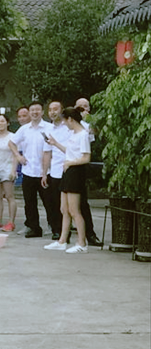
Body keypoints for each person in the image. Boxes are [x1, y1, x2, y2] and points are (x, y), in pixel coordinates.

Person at [44, 107, 91, 253]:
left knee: (74, 210)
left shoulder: (83, 134)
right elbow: (70, 151)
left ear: (70, 119)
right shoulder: (73, 134)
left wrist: (70, 163)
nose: (64, 123)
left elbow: (86, 157)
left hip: (75, 172)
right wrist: (55, 143)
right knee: (64, 209)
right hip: (67, 170)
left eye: (65, 120)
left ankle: (82, 243)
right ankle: (62, 241)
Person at [8, 101, 54, 238]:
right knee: (29, 202)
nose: (35, 112)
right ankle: (34, 228)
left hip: (45, 172)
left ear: (42, 112)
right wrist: (18, 156)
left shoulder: (49, 128)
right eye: (32, 110)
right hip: (28, 170)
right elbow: (11, 143)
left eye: (37, 110)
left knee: (50, 201)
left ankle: (54, 226)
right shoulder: (24, 129)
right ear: (29, 112)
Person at [73, 97, 102, 246]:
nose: (83, 109)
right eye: (80, 107)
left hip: (79, 165)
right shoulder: (68, 124)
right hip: (62, 166)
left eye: (86, 107)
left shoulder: (87, 126)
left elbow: (93, 136)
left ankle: (89, 234)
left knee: (82, 202)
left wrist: (88, 120)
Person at [41, 101, 68, 241]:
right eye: (50, 109)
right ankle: (57, 231)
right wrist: (44, 173)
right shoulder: (49, 130)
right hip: (55, 171)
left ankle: (88, 234)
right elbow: (47, 153)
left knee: (75, 205)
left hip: (69, 169)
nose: (52, 112)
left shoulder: (69, 127)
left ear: (62, 110)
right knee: (55, 203)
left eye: (55, 109)